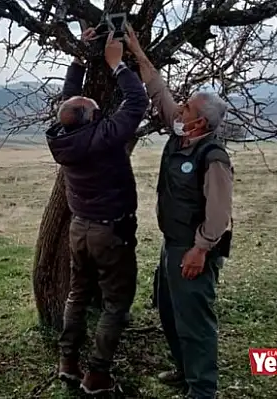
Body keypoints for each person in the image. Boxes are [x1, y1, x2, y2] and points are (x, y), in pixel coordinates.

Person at [125, 25, 234, 399]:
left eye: (186, 107)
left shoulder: (213, 156)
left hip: (192, 249)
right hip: (172, 243)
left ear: (200, 121)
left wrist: (200, 249)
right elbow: (159, 92)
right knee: (170, 312)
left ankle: (202, 389)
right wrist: (137, 52)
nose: (179, 108)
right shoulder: (181, 134)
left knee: (195, 321)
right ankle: (186, 372)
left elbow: (219, 215)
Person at [46, 28, 149, 395]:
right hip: (111, 232)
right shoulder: (103, 137)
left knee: (77, 293)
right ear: (90, 119)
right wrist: (118, 63)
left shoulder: (62, 135)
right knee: (116, 302)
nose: (97, 106)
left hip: (80, 229)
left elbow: (68, 100)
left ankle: (68, 361)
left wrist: (79, 57)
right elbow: (137, 103)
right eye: (94, 107)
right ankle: (97, 373)